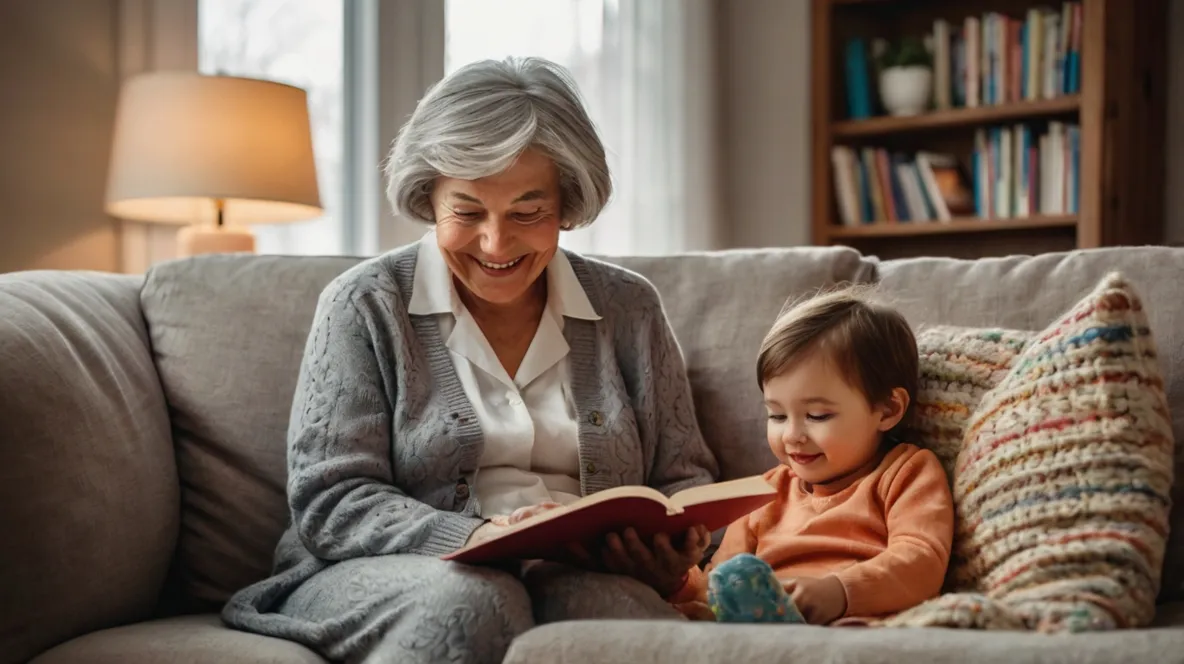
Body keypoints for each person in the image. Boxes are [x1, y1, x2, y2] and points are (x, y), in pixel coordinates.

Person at [220, 56, 718, 663]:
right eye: (467, 211)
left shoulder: (629, 307)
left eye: (527, 213)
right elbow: (332, 501)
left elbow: (686, 480)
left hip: (572, 572)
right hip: (388, 572)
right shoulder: (364, 304)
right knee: (477, 598)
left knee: (615, 613)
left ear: (567, 202)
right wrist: (477, 536)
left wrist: (677, 547)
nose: (495, 243)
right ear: (429, 198)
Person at [666, 285, 954, 625]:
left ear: (888, 409)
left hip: (858, 622)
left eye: (817, 416)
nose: (791, 435)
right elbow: (720, 583)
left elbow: (922, 562)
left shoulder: (906, 472)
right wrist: (679, 577)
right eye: (776, 415)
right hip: (760, 627)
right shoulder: (759, 495)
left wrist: (838, 592)